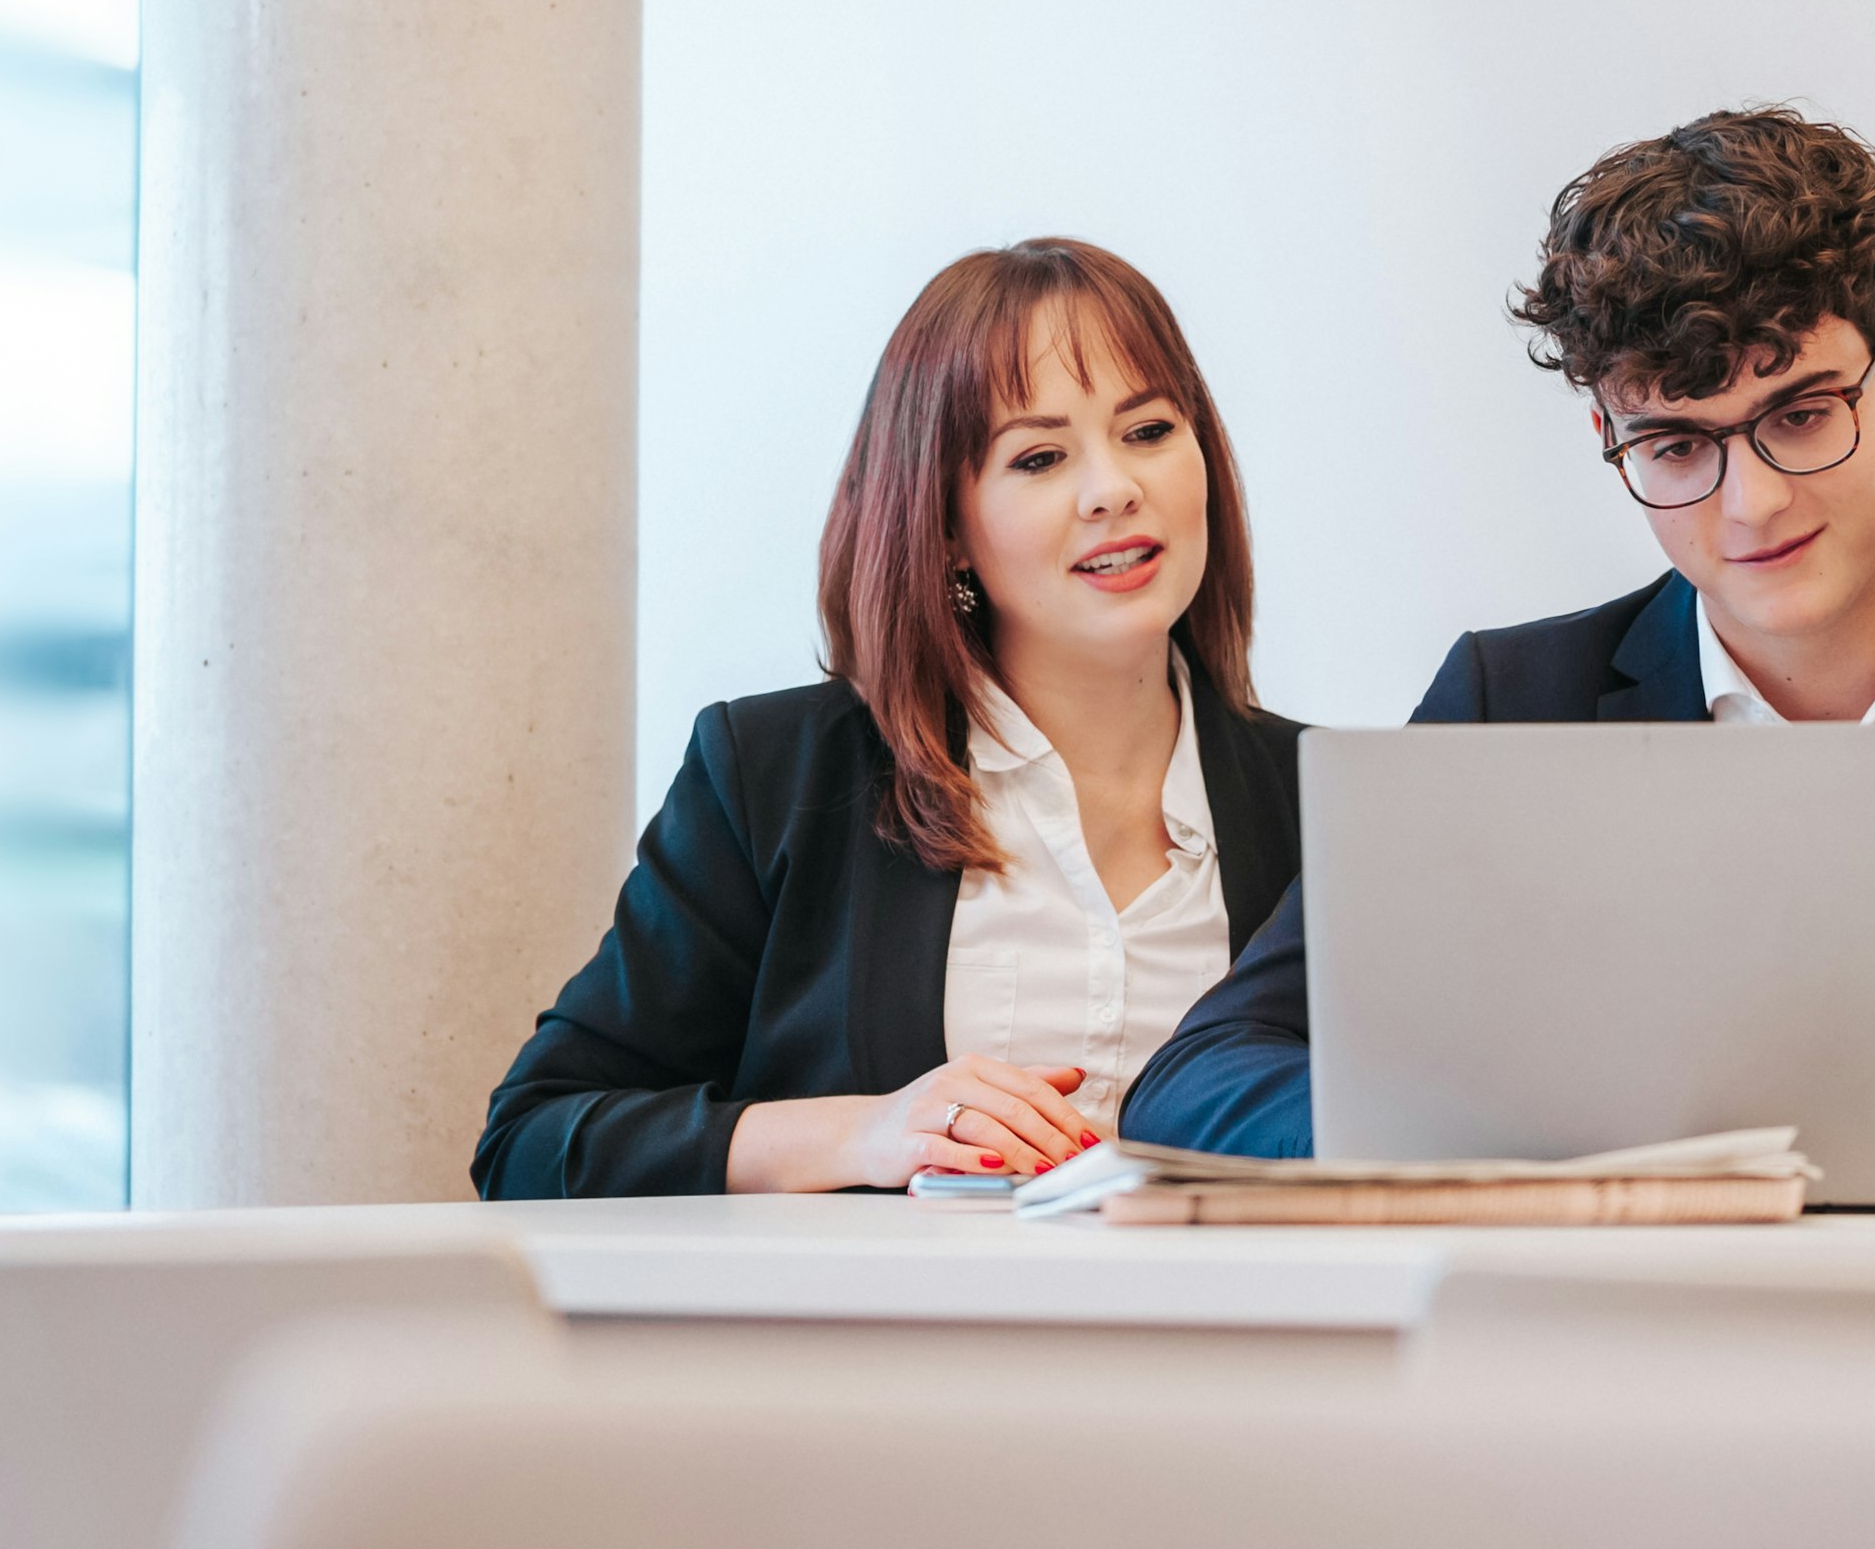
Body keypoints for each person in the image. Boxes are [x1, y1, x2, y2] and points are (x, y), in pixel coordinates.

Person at [1121, 108, 1875, 1202]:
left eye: (1801, 415)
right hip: (1622, 1383)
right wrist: (1507, 1133)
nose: (1751, 505)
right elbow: (1200, 1076)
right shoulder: (1513, 705)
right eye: (1676, 447)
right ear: (1610, 435)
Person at [473, 240, 1307, 1197]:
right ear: (945, 524)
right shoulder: (775, 777)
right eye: (1039, 456)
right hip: (884, 1343)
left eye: (1150, 431)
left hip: (1229, 1343)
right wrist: (866, 1136)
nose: (1114, 487)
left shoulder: (1320, 803)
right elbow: (532, 1142)